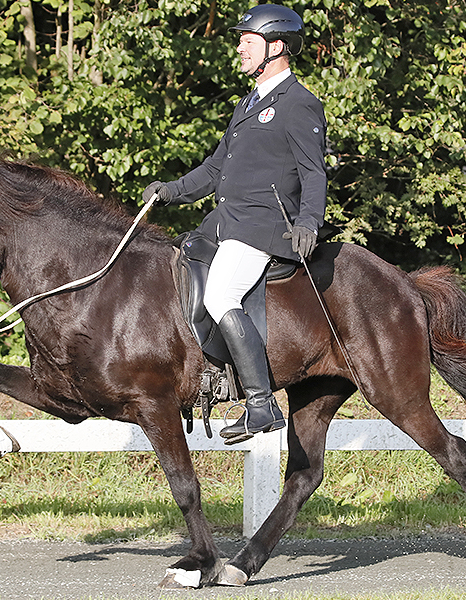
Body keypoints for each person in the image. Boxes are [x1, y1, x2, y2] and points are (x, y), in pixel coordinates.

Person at [143, 4, 328, 443]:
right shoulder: (248, 103)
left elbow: (313, 171)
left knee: (221, 293)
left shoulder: (299, 103)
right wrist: (172, 190)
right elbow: (214, 169)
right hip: (224, 223)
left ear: (276, 46)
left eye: (247, 40)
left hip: (261, 228)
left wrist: (309, 222)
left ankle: (260, 405)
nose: (239, 48)